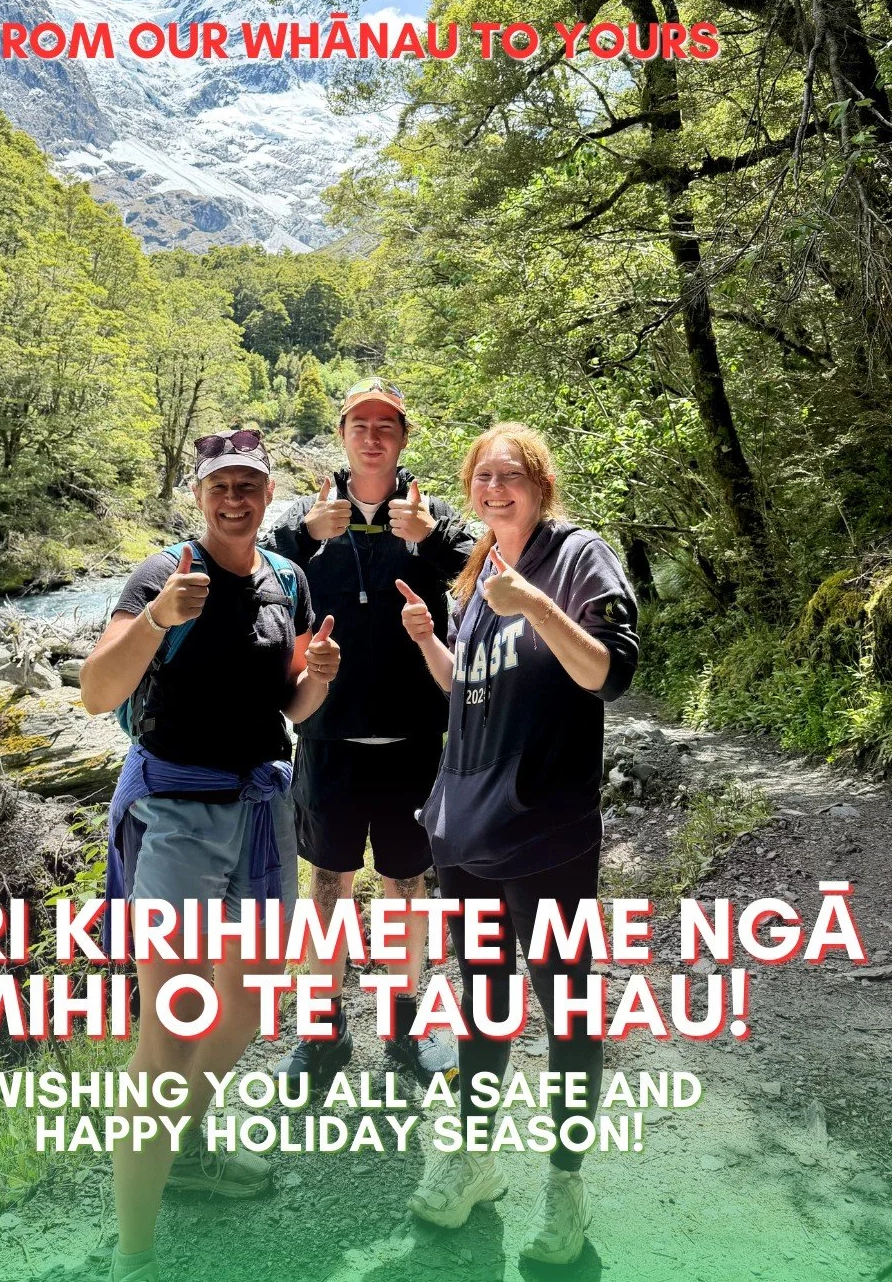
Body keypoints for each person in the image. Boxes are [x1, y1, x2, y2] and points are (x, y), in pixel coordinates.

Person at [79, 429, 340, 1282]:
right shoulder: (160, 575)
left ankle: (180, 1149)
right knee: (173, 1030)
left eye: (249, 486)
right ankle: (134, 1253)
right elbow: (97, 693)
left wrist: (320, 676)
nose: (236, 499)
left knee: (251, 1005)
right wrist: (158, 619)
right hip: (176, 817)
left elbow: (289, 705)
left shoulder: (287, 580)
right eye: (221, 486)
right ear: (198, 495)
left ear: (268, 495)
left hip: (259, 808)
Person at [398, 421, 639, 1265]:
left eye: (511, 476)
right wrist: (430, 641)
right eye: (483, 477)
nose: (495, 489)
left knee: (565, 1002)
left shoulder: (577, 557)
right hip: (465, 829)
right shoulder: (478, 575)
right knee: (484, 1000)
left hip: (546, 826)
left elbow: (609, 673)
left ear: (541, 485)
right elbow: (469, 690)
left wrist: (535, 604)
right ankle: (476, 1161)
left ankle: (566, 1185)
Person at [265, 378, 475, 1084]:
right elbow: (256, 570)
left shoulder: (432, 514)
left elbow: (488, 573)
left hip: (415, 736)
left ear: (404, 438)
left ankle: (405, 1026)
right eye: (361, 424)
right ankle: (323, 1033)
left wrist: (432, 541)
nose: (373, 436)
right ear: (343, 434)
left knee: (406, 884)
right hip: (327, 734)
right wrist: (306, 536)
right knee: (327, 883)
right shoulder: (305, 516)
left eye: (387, 425)